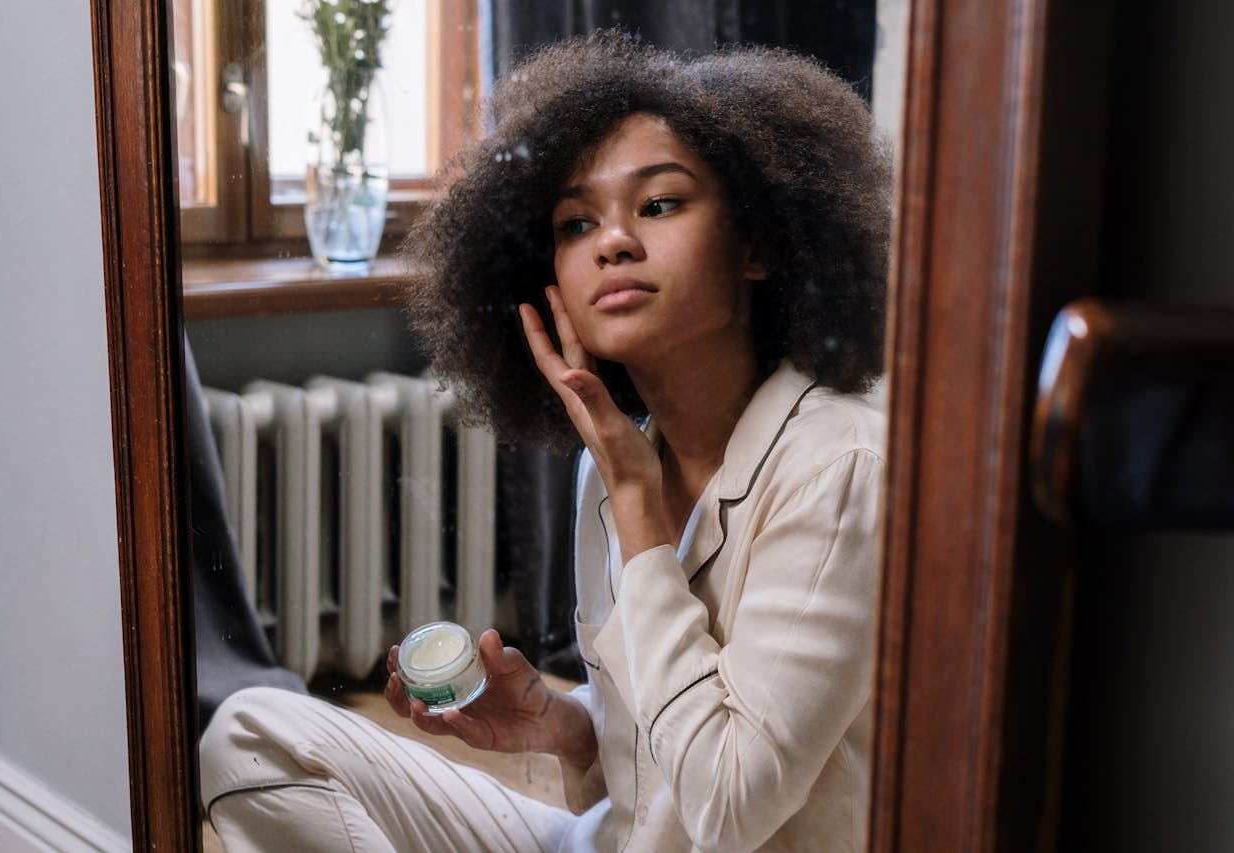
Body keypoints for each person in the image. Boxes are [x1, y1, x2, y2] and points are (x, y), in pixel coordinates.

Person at [199, 29, 889, 852]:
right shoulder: (617, 459)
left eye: (660, 204)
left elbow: (728, 804)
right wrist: (556, 725)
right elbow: (646, 780)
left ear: (759, 244)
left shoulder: (838, 466)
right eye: (575, 222)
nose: (613, 241)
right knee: (249, 734)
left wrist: (638, 510)